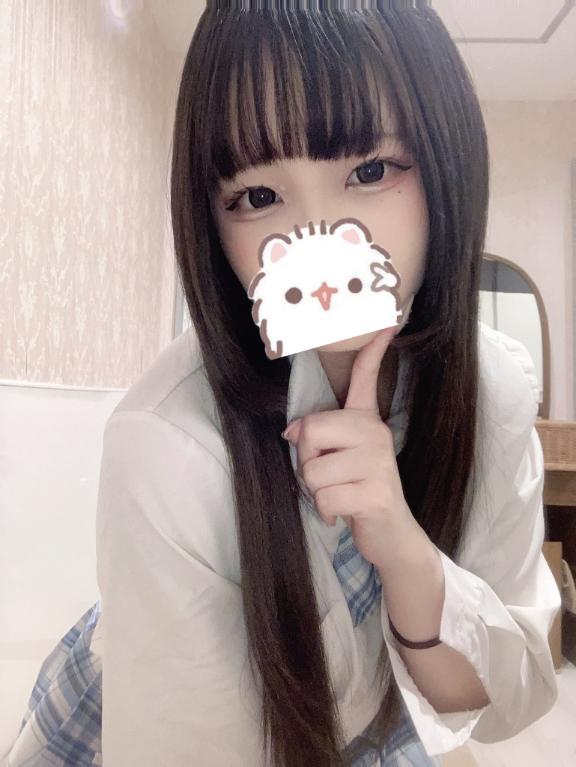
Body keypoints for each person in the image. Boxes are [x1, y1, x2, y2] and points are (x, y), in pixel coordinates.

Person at [4, 1, 561, 766]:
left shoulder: (493, 386)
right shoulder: (169, 446)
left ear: (445, 162)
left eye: (370, 171)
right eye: (259, 198)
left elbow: (506, 699)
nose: (319, 242)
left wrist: (403, 549)